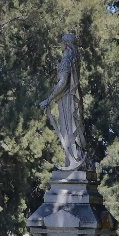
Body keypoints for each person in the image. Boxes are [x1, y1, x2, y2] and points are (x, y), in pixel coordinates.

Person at [40, 33, 88, 170]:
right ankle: (75, 160)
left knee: (68, 128)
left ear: (66, 44)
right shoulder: (74, 59)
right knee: (73, 129)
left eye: (61, 42)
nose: (60, 45)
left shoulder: (67, 60)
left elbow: (62, 82)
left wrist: (48, 99)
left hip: (67, 100)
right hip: (72, 98)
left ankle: (73, 162)